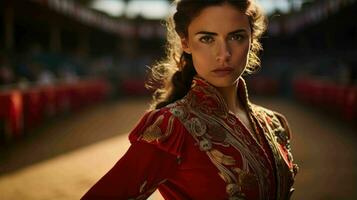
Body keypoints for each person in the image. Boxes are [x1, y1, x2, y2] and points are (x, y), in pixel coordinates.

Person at [81, 0, 298, 199]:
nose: (224, 54)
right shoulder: (171, 127)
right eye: (207, 38)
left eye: (236, 37)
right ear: (185, 42)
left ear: (252, 39)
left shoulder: (274, 122)